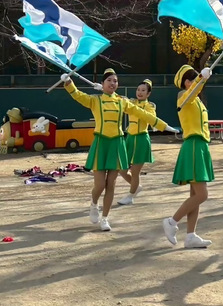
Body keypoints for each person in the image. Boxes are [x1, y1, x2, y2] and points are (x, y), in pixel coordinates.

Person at [62, 68, 170, 232]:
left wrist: (162, 125)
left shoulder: (122, 101)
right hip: (100, 144)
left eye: (115, 81)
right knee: (99, 185)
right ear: (103, 83)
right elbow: (78, 95)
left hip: (117, 144)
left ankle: (105, 218)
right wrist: (68, 83)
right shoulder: (95, 100)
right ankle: (93, 204)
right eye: (109, 80)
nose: (113, 83)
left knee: (110, 184)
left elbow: (142, 113)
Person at [162, 65, 216, 248]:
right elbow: (192, 92)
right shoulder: (184, 98)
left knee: (195, 194)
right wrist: (202, 77)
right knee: (202, 194)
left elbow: (195, 92)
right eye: (193, 79)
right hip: (193, 145)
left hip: (200, 146)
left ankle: (191, 235)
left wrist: (200, 79)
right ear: (187, 82)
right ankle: (171, 222)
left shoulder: (196, 100)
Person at [118, 79, 168, 205]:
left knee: (135, 171)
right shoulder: (132, 102)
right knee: (121, 169)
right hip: (129, 138)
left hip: (141, 139)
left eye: (143, 90)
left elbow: (151, 118)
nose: (140, 92)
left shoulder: (150, 106)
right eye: (138, 90)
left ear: (148, 93)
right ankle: (137, 187)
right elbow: (120, 100)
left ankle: (130, 196)